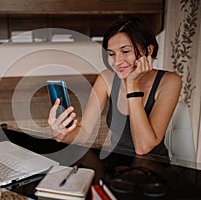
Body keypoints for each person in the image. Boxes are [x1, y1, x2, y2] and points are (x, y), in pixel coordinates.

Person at [47, 17, 182, 157]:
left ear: (148, 50)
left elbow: (143, 148)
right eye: (111, 54)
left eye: (125, 51)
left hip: (153, 168)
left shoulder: (169, 81)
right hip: (116, 166)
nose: (117, 62)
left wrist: (132, 85)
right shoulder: (107, 79)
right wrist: (62, 135)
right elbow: (84, 133)